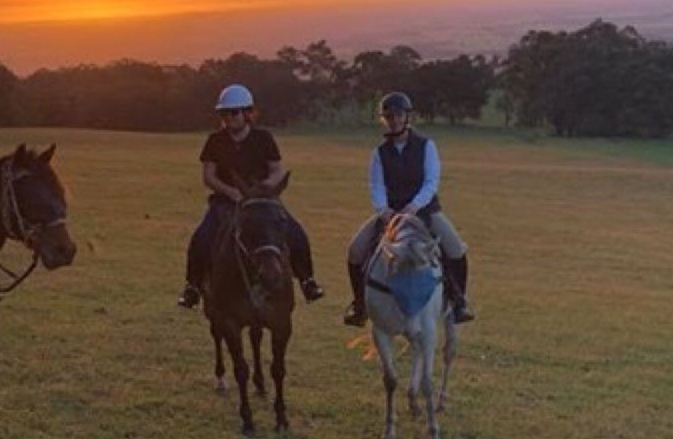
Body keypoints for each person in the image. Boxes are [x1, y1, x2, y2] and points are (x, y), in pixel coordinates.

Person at [177, 84, 324, 309]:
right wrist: (232, 192)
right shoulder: (215, 140)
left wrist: (264, 188)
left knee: (296, 233)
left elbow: (277, 170)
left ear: (247, 113)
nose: (228, 118)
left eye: (234, 113)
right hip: (227, 202)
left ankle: (307, 281)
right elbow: (209, 176)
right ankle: (192, 287)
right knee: (201, 237)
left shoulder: (263, 138)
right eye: (224, 113)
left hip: (262, 202)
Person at [343, 91, 474, 327]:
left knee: (455, 249)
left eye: (398, 115)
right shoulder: (379, 153)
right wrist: (383, 210)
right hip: (390, 214)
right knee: (355, 250)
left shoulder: (426, 146)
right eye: (388, 116)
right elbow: (376, 185)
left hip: (424, 211)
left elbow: (431, 182)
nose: (393, 120)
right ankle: (359, 305)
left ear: (407, 117)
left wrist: (414, 206)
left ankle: (459, 302)